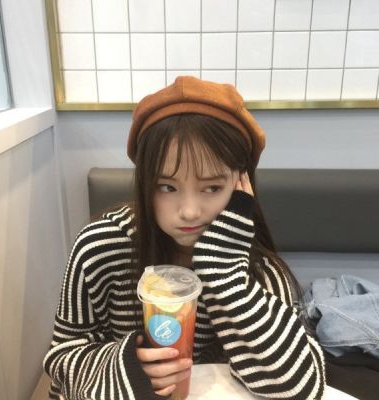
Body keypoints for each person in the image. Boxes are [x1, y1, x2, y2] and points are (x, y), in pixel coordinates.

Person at [43, 76, 326, 399]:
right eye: (167, 187)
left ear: (241, 184)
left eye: (212, 187)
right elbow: (62, 358)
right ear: (145, 183)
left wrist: (225, 274)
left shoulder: (257, 269)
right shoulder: (101, 248)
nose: (189, 211)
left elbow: (303, 387)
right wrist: (130, 366)